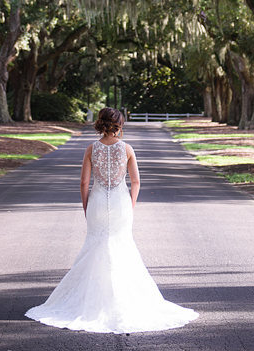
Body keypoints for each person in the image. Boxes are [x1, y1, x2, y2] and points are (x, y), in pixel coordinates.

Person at [25, 106, 198, 333]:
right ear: (119, 125)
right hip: (120, 202)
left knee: (95, 245)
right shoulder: (126, 149)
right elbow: (135, 182)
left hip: (97, 201)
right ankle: (123, 298)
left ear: (100, 124)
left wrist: (86, 205)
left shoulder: (91, 149)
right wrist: (131, 204)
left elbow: (83, 183)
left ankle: (91, 301)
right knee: (122, 246)